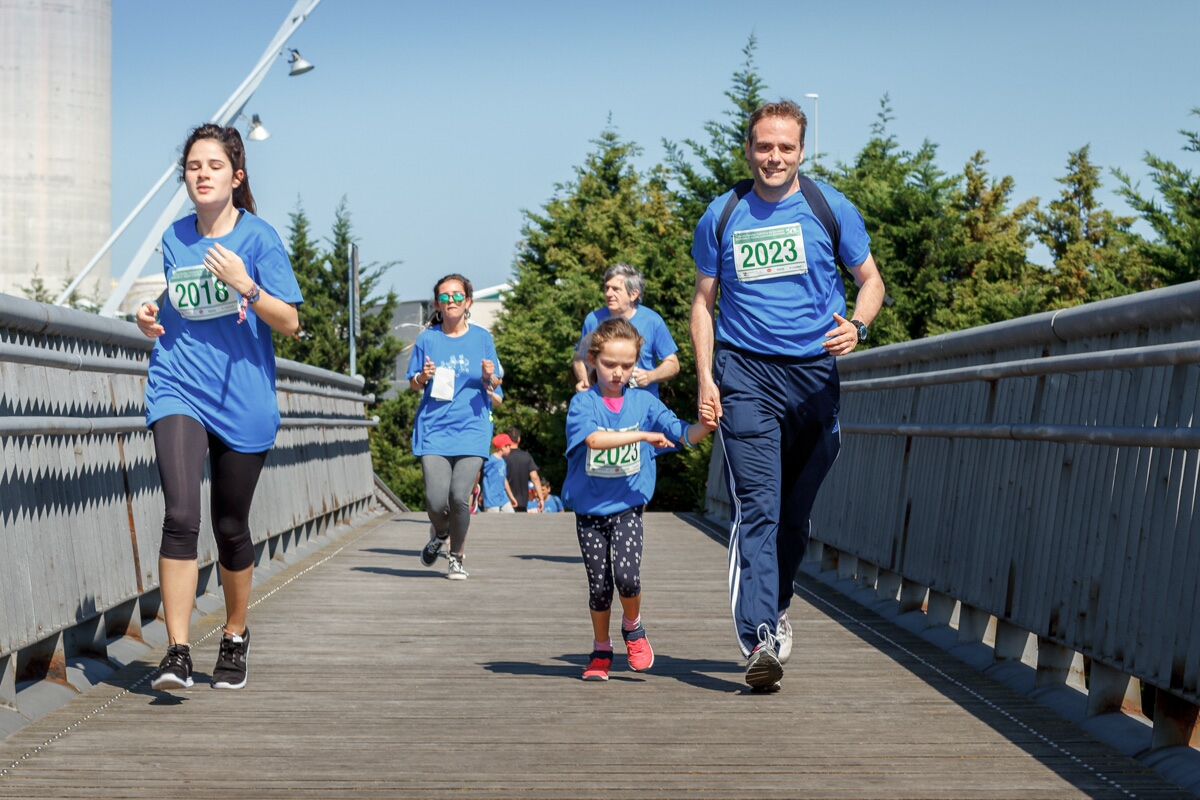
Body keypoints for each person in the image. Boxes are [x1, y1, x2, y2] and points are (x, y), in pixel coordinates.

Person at [690, 100, 886, 692]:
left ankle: (775, 608)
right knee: (759, 508)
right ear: (748, 149)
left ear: (802, 151)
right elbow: (704, 304)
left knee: (795, 519)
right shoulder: (722, 214)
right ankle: (758, 640)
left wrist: (859, 325)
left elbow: (871, 281)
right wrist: (706, 377)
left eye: (785, 147)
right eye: (763, 146)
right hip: (746, 374)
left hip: (814, 378)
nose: (774, 157)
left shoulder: (829, 207)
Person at [136, 124, 303, 692]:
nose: (201, 173)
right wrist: (150, 313)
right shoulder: (175, 237)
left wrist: (246, 287)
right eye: (192, 166)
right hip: (178, 384)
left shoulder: (260, 240)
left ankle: (234, 634)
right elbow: (179, 300)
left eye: (212, 165)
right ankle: (177, 650)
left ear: (236, 176)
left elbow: (291, 322)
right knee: (180, 515)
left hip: (242, 397)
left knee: (229, 525)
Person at [563, 318, 718, 681]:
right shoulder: (582, 404)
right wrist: (645, 437)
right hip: (589, 510)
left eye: (627, 365)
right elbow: (594, 441)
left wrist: (708, 426)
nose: (618, 373)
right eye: (609, 364)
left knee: (628, 578)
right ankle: (601, 650)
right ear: (592, 360)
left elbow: (682, 433)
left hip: (629, 504)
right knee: (599, 587)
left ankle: (632, 627)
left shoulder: (644, 403)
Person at [408, 274, 504, 580]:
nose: (451, 301)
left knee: (459, 496)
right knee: (437, 501)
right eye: (445, 297)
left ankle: (456, 556)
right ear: (437, 303)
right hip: (435, 430)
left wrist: (490, 375)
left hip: (473, 427)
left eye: (457, 296)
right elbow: (413, 383)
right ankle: (440, 533)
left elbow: (496, 383)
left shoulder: (482, 338)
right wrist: (423, 376)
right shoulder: (427, 339)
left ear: (468, 302)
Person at [572, 263, 679, 398]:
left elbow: (672, 363)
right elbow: (579, 358)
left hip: (642, 405)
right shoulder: (593, 319)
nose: (608, 294)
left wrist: (650, 376)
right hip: (602, 404)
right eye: (607, 288)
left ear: (633, 294)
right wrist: (583, 380)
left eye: (616, 289)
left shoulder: (652, 321)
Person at [502, 428, 544, 512]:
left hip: (504, 501)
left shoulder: (503, 457)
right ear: (519, 439)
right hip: (522, 501)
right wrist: (541, 498)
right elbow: (534, 477)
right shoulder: (526, 457)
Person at [481, 433, 518, 512]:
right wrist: (481, 493)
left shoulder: (503, 461)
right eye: (508, 446)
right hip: (491, 499)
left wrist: (511, 496)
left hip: (503, 497)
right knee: (493, 522)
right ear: (502, 447)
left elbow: (504, 479)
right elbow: (480, 474)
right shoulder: (491, 460)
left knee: (511, 515)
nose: (510, 448)